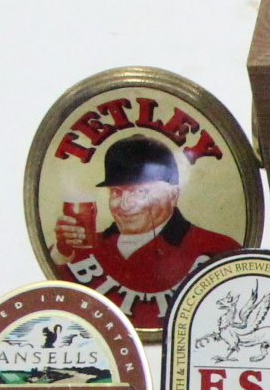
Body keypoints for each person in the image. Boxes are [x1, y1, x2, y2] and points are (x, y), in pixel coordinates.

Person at [51, 133, 239, 330]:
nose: (124, 205)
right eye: (117, 192)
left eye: (139, 192)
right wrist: (62, 251)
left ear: (173, 196)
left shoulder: (220, 250)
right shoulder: (77, 249)